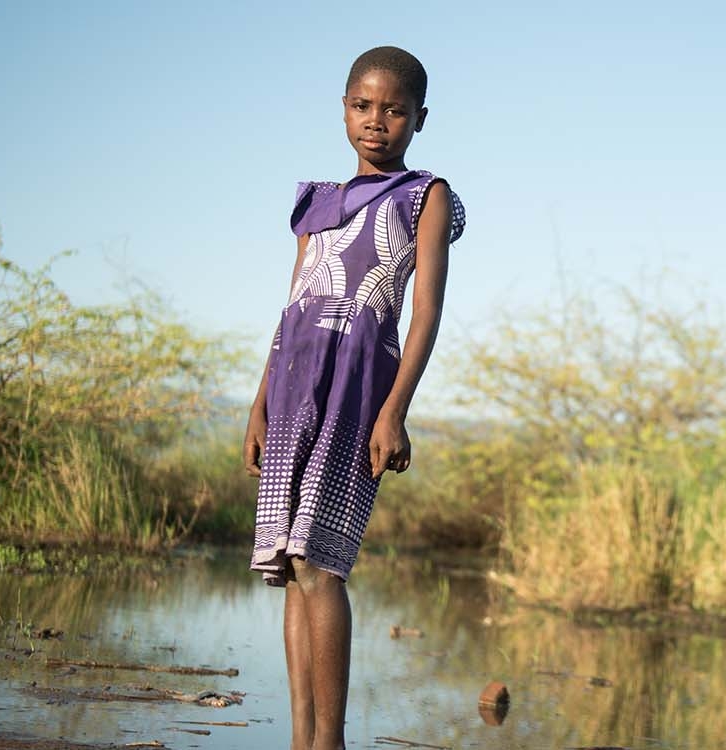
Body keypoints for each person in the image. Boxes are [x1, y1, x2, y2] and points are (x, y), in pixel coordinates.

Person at [241, 45, 465, 750]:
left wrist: (395, 408)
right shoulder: (318, 203)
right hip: (292, 386)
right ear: (343, 107)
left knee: (321, 560)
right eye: (364, 106)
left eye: (394, 110)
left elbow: (425, 310)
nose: (377, 122)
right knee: (289, 563)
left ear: (418, 119)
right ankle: (301, 738)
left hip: (357, 389)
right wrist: (258, 404)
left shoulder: (423, 195)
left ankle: (330, 743)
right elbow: (291, 308)